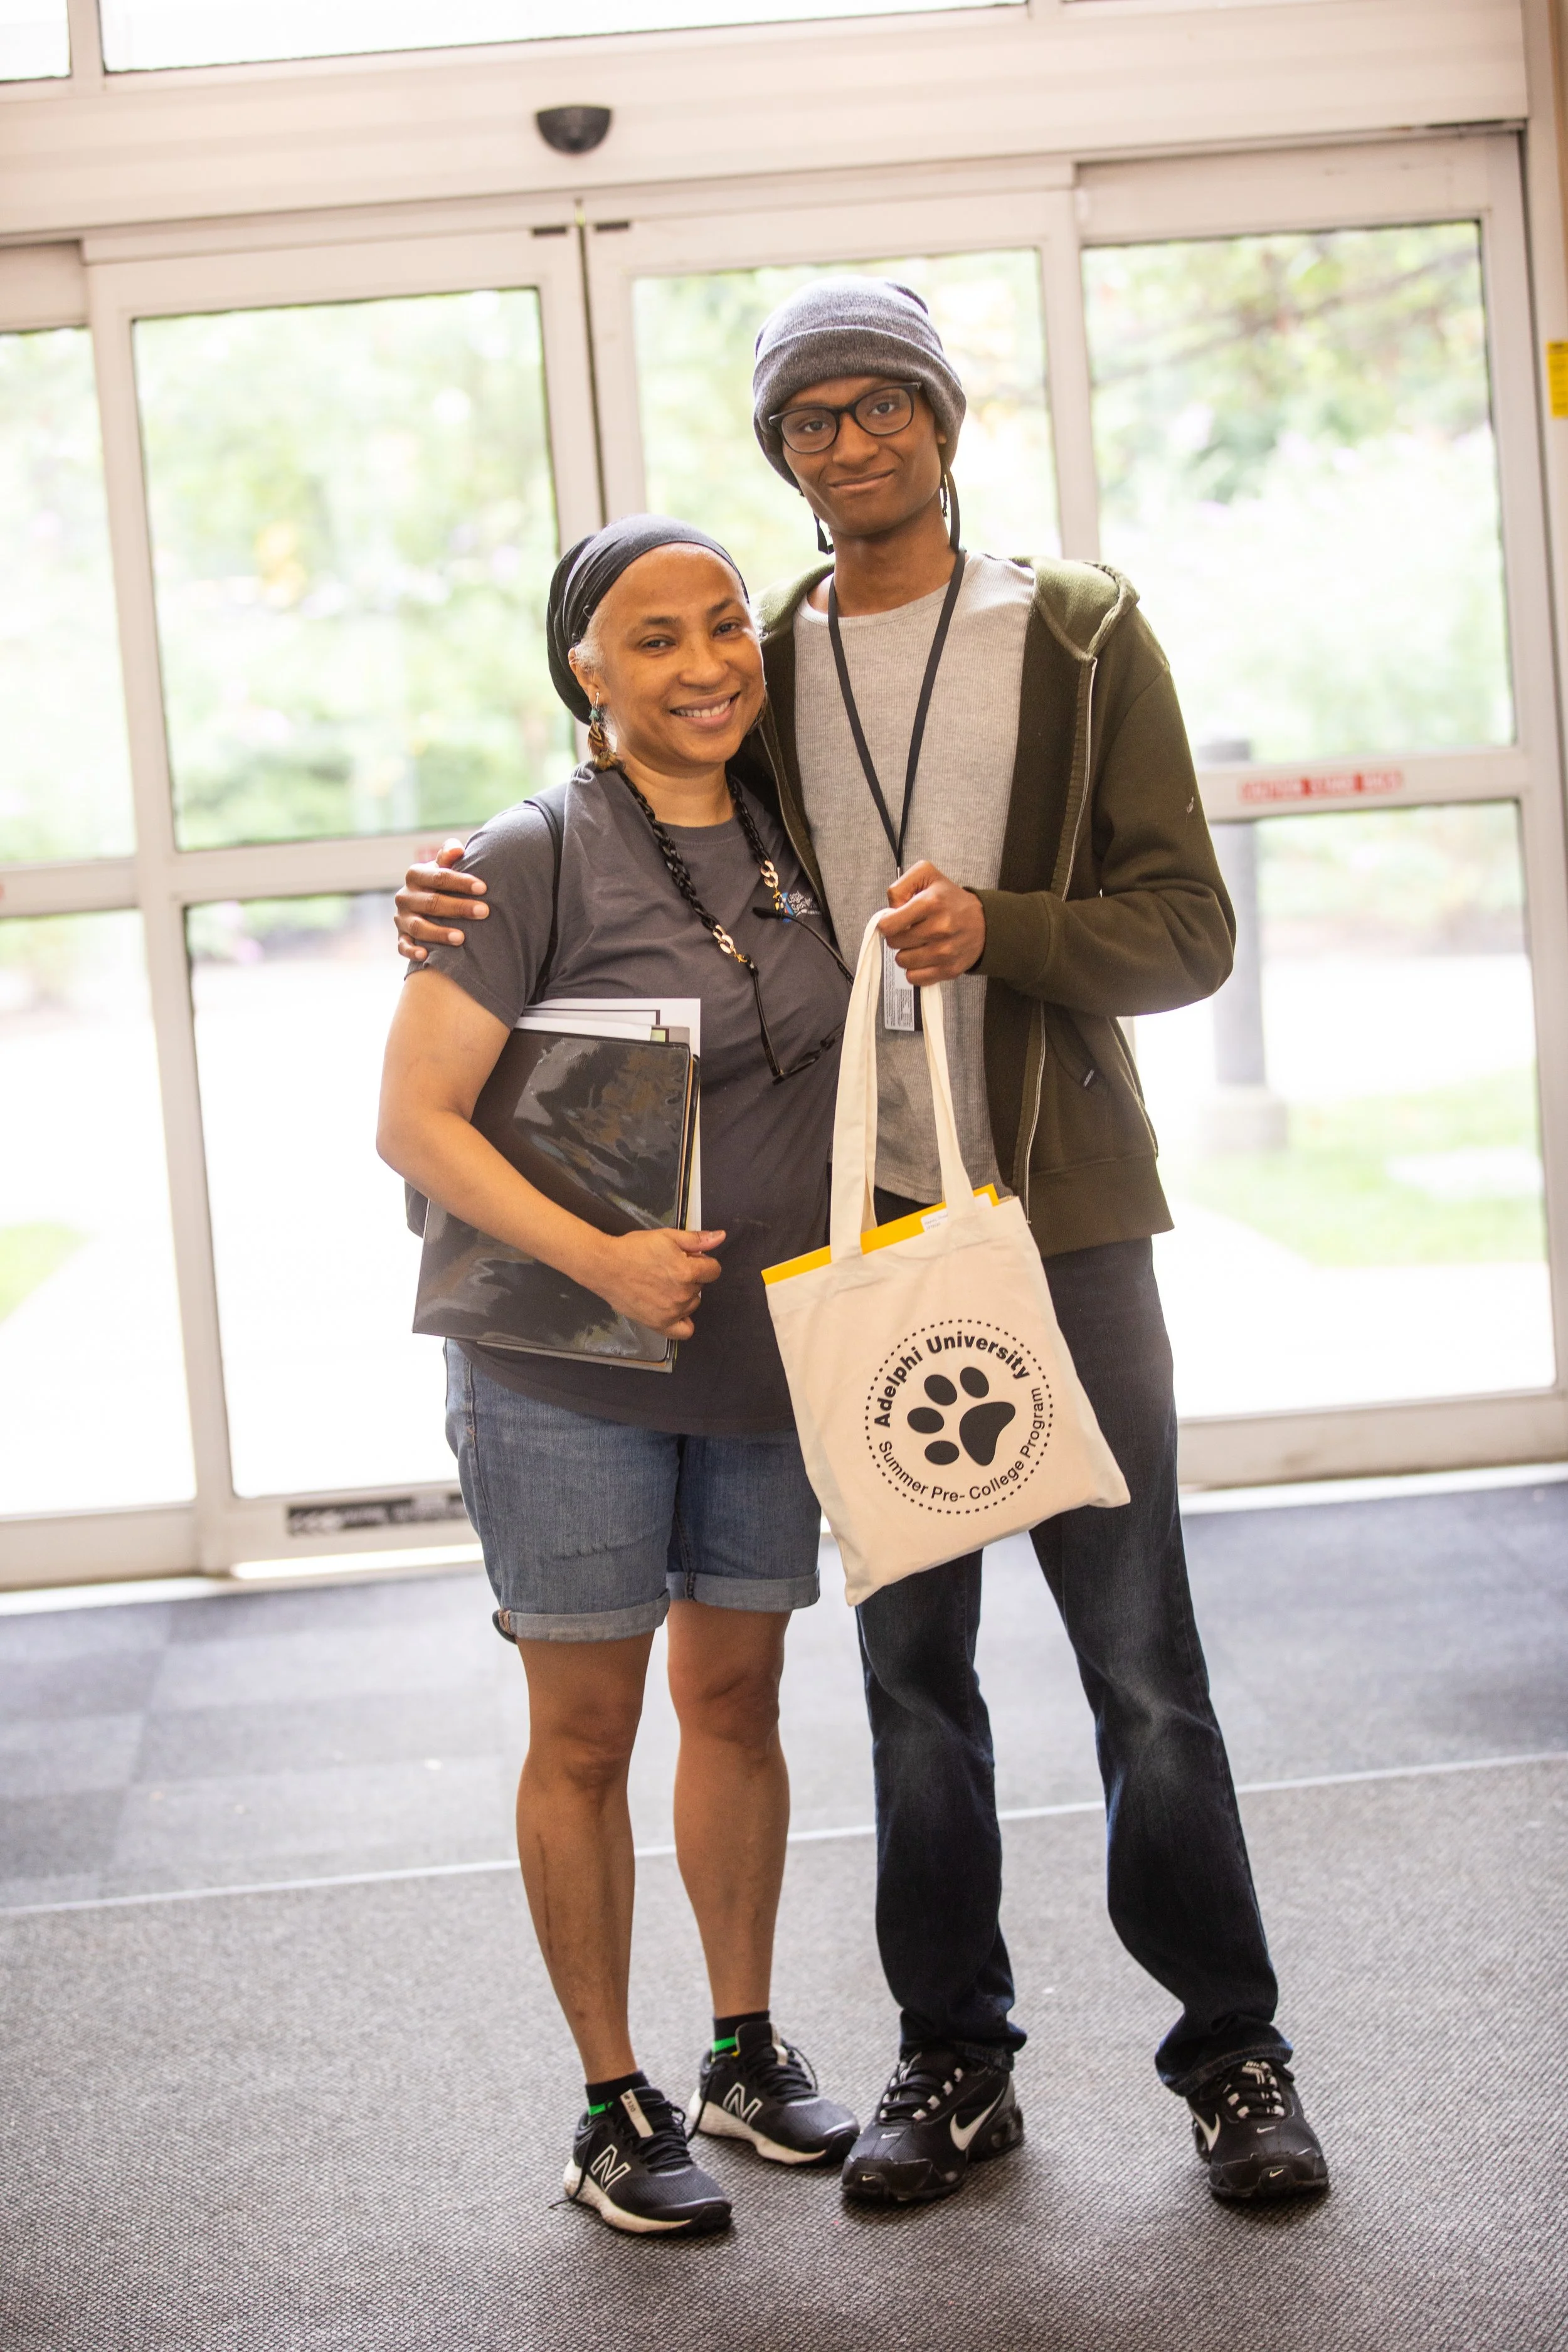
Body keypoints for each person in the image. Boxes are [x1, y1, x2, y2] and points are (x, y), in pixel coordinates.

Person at [395, 282, 1330, 2212]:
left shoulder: (1072, 630)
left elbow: (1188, 935)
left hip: (1057, 1230)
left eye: (877, 404)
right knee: (914, 1676)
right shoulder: (776, 663)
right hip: (864, 1254)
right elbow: (609, 790)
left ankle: (1230, 2055)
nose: (847, 443)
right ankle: (951, 2057)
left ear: (942, 415)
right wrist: (428, 884)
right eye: (806, 421)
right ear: (782, 461)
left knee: (1141, 1662)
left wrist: (1001, 928)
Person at [377, 516, 858, 2240]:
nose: (706, 661)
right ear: (587, 669)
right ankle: (609, 2095)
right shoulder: (523, 856)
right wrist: (603, 1258)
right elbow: (413, 1119)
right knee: (583, 1732)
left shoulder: (806, 834)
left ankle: (738, 2048)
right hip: (562, 1364)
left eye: (726, 624)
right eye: (655, 637)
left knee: (738, 1705)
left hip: (757, 1359)